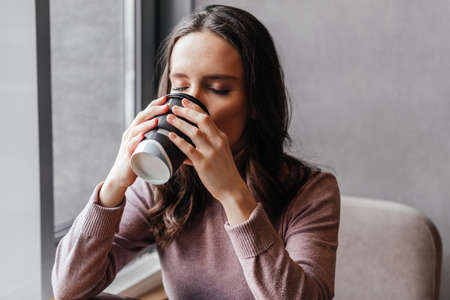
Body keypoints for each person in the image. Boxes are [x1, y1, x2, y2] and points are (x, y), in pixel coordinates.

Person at [52, 4, 340, 300]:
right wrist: (115, 183)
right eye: (181, 87)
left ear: (255, 101)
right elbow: (69, 287)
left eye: (217, 89)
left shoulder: (311, 192)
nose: (190, 107)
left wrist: (233, 195)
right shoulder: (162, 185)